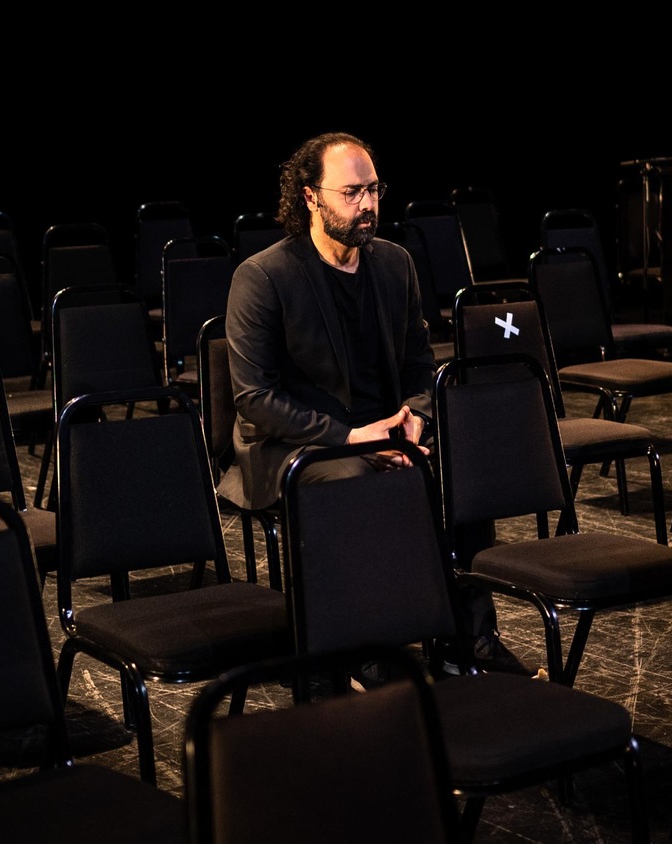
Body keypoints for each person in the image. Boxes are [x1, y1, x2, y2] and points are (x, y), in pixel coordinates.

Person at [219, 131, 536, 679]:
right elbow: (255, 400)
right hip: (296, 445)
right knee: (352, 481)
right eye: (351, 193)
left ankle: (472, 641)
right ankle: (365, 647)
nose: (367, 205)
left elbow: (419, 367)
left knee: (461, 470)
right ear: (310, 197)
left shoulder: (395, 265)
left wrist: (413, 420)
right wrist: (350, 436)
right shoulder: (264, 276)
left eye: (373, 190)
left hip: (387, 432)